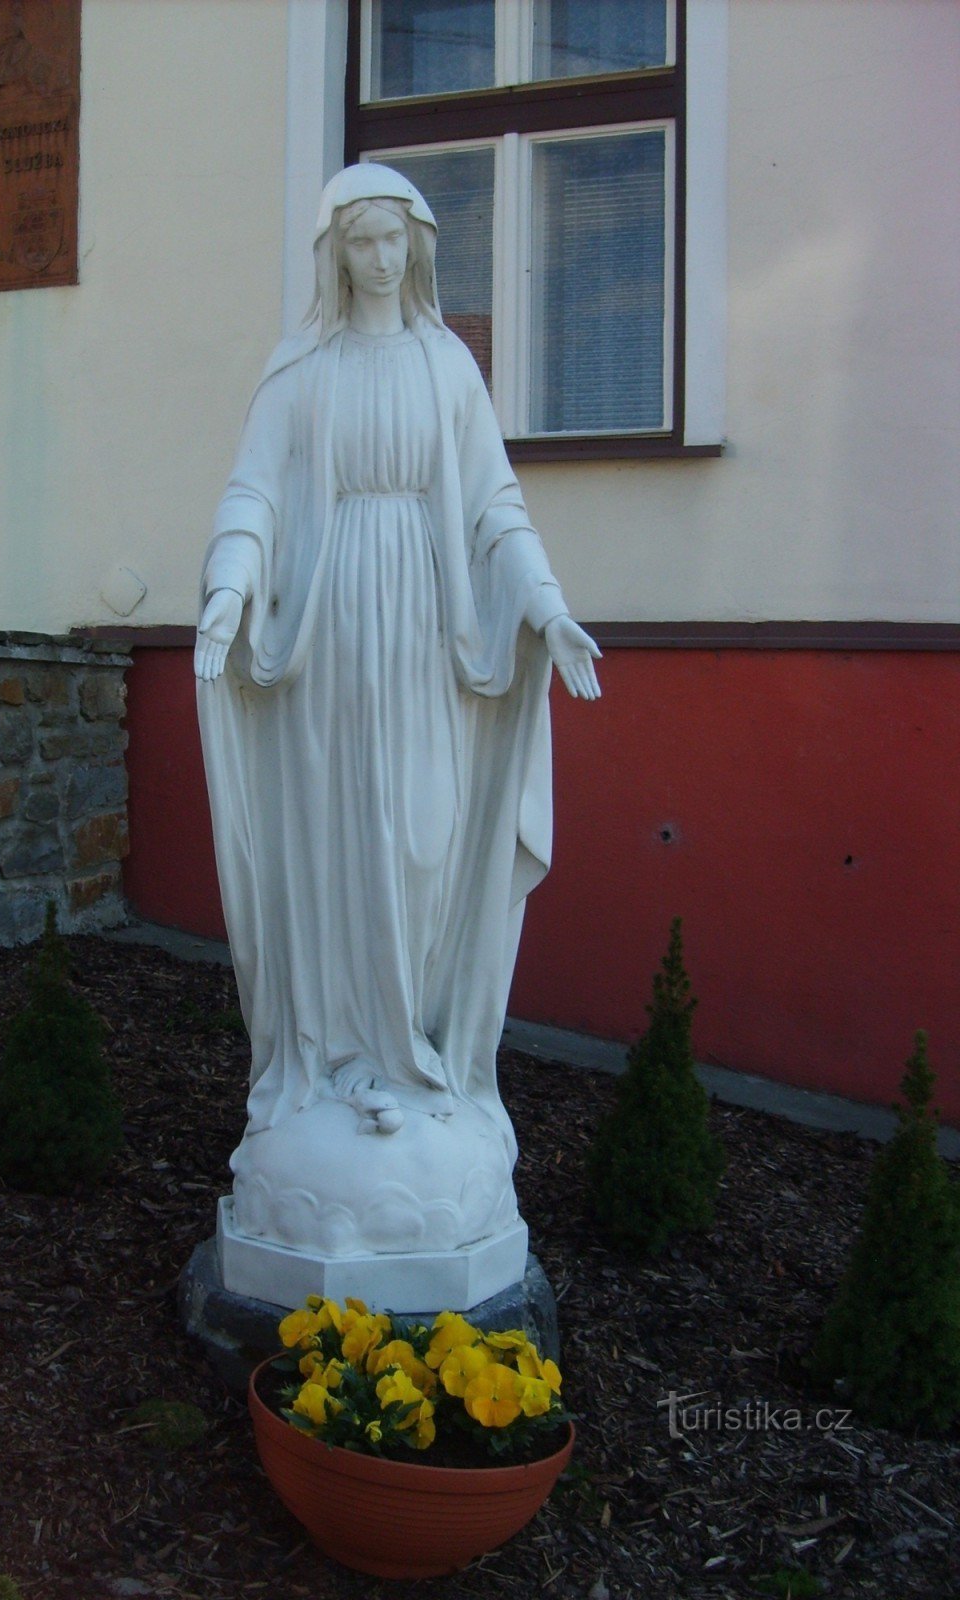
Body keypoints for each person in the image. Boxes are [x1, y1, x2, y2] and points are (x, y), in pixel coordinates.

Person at [195, 164, 600, 1258]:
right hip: (327, 634)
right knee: (336, 840)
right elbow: (255, 492)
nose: (378, 260)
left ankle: (417, 1060)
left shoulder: (445, 365)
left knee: (423, 837)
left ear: (415, 247)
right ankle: (338, 1064)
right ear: (336, 253)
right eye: (360, 242)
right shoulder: (303, 370)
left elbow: (494, 505)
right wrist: (230, 588)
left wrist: (549, 609)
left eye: (392, 241)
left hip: (426, 625)